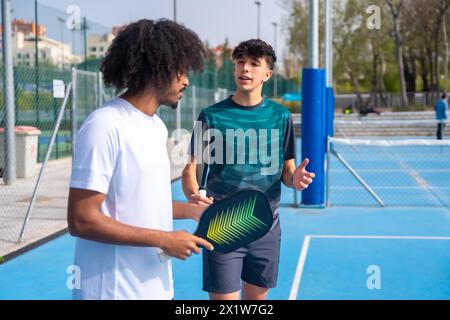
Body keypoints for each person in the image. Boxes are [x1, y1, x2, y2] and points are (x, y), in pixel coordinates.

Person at [67, 19, 213, 300]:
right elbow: (81, 219)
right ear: (156, 69)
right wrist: (165, 239)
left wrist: (193, 211)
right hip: (113, 293)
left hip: (155, 289)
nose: (186, 80)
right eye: (180, 70)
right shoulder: (105, 125)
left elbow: (138, 201)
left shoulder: (156, 126)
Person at [182, 39, 315, 300]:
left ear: (267, 73)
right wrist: (193, 193)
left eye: (254, 64)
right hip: (223, 225)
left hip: (266, 225)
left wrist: (294, 179)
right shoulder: (212, 116)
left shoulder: (281, 116)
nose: (246, 69)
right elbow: (192, 169)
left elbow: (286, 170)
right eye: (241, 62)